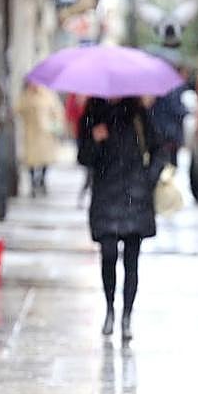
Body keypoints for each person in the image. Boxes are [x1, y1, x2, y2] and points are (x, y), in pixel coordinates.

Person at [77, 96, 160, 342]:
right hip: (106, 195)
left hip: (136, 196)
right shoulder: (92, 112)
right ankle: (110, 309)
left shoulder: (138, 113)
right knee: (109, 254)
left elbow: (159, 151)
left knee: (132, 261)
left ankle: (126, 316)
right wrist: (95, 139)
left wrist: (147, 181)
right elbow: (83, 157)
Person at [17, 82, 64, 197]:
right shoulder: (26, 96)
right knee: (31, 161)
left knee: (45, 160)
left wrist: (55, 126)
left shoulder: (48, 96)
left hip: (46, 136)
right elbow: (17, 110)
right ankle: (33, 182)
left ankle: (42, 180)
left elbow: (58, 112)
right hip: (31, 134)